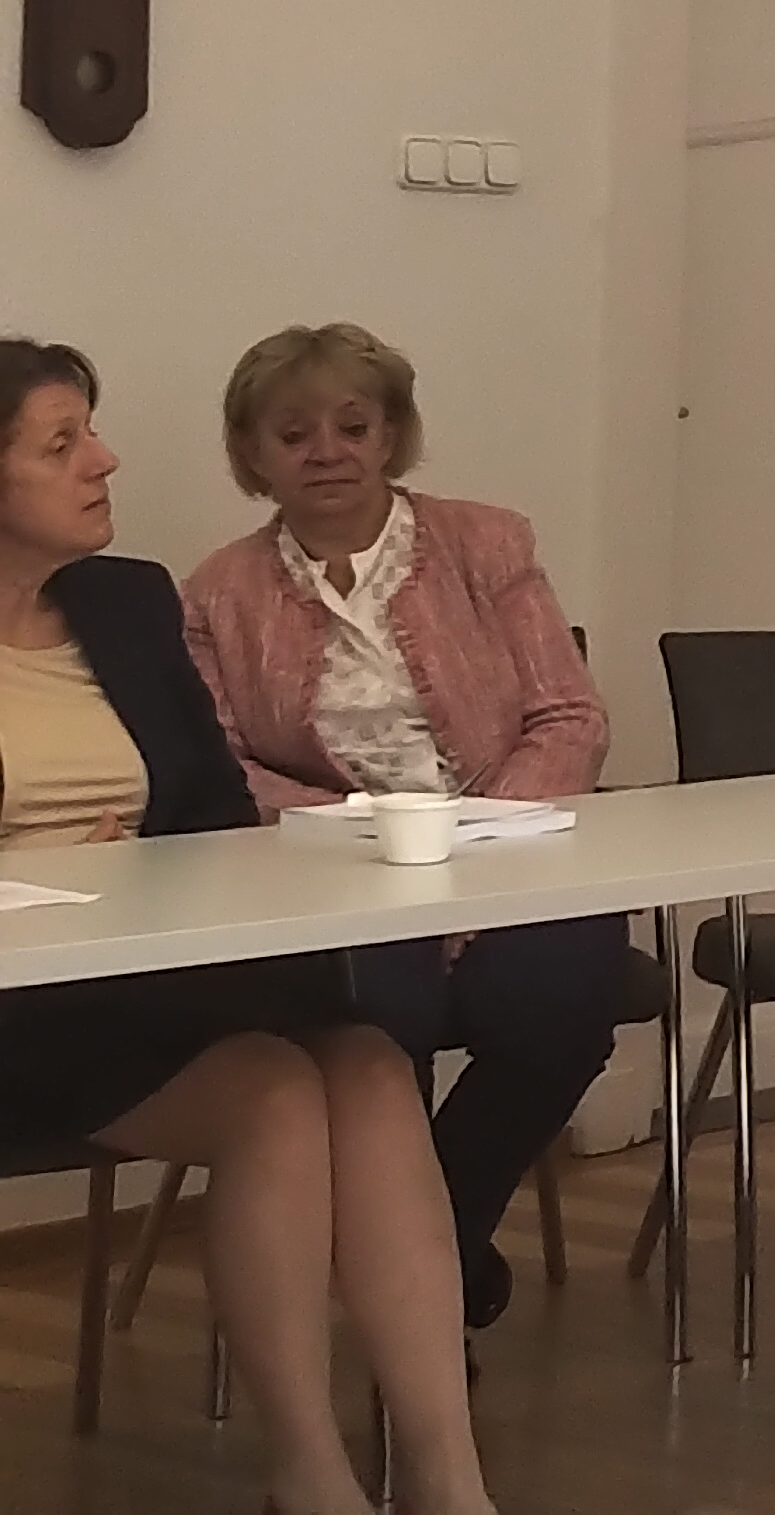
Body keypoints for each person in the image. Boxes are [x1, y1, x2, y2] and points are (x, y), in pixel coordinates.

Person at [0, 339, 507, 1515]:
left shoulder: (126, 602)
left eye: (91, 432)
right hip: (27, 1002)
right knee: (276, 1094)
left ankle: (449, 1482)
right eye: (63, 444)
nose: (104, 460)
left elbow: (214, 813)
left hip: (166, 969)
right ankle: (312, 1479)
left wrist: (154, 876)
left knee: (370, 1065)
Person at [181, 323, 620, 1333]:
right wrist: (363, 840)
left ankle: (437, 1251)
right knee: (377, 1024)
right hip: (331, 878)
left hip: (509, 856)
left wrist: (464, 853)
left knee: (565, 1005)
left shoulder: (487, 544)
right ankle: (423, 1303)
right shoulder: (216, 592)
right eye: (294, 433)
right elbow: (220, 763)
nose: (326, 452)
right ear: (252, 452)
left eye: (353, 426)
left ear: (391, 436)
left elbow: (570, 717)